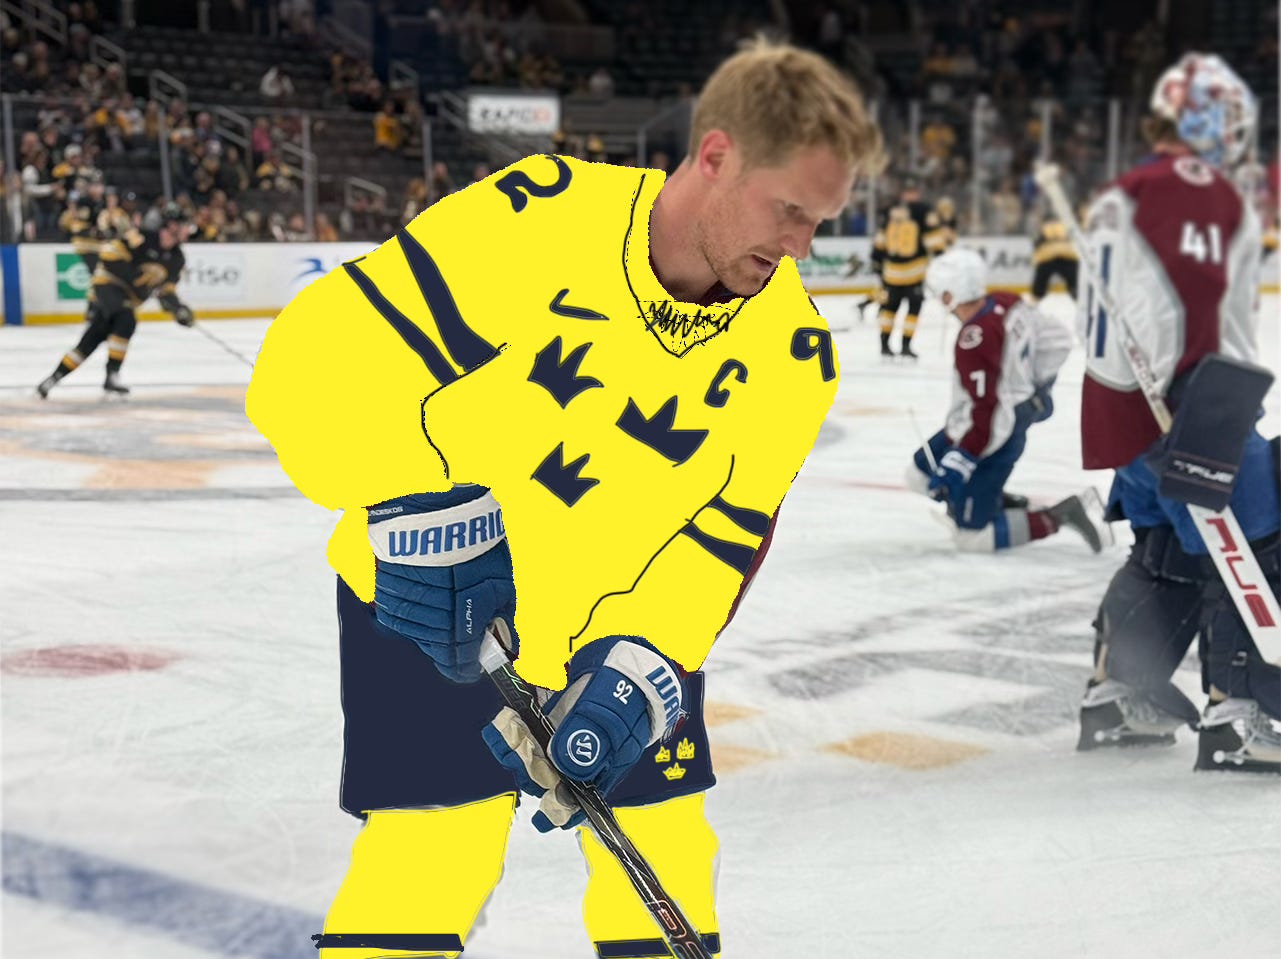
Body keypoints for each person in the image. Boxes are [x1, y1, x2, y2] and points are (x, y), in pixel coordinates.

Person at [246, 39, 884, 958]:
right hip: (428, 603)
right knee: (435, 850)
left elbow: (721, 542)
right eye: (789, 211)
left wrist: (647, 660)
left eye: (818, 222)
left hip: (610, 635)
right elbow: (318, 358)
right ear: (716, 156)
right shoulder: (541, 216)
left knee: (666, 856)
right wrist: (418, 509)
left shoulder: (795, 355)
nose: (799, 249)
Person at [1072, 53, 1281, 773]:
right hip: (1193, 404)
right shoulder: (1207, 192)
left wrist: (1136, 417)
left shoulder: (1119, 193)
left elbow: (1107, 319)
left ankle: (1119, 697)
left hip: (1124, 410)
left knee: (1166, 553)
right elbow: (1207, 317)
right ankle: (1241, 713)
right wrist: (1207, 420)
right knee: (1257, 542)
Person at [907, 247, 1105, 553]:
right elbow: (1059, 339)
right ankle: (988, 500)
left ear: (950, 294)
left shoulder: (974, 340)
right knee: (919, 475)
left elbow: (993, 415)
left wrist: (962, 460)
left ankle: (1060, 515)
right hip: (980, 424)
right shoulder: (1006, 302)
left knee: (972, 539)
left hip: (996, 433)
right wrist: (1037, 387)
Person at [36, 202, 194, 398]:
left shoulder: (177, 258)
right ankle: (112, 375)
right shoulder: (141, 238)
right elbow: (109, 254)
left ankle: (52, 379)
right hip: (107, 285)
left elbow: (166, 290)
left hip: (126, 299)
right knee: (127, 319)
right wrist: (135, 280)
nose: (189, 230)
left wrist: (178, 309)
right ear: (172, 226)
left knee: (94, 337)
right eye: (184, 225)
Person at [870, 177, 948, 359]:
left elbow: (880, 241)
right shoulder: (924, 210)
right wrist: (941, 255)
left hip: (891, 272)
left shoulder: (890, 210)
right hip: (914, 272)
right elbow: (933, 239)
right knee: (913, 309)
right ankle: (905, 345)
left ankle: (884, 345)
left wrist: (877, 261)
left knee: (889, 309)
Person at [1028, 215, 1079, 303]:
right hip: (1067, 256)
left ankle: (1035, 299)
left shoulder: (1044, 229)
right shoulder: (1065, 227)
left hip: (1047, 257)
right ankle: (1077, 296)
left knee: (1040, 283)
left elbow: (1036, 244)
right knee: (1074, 283)